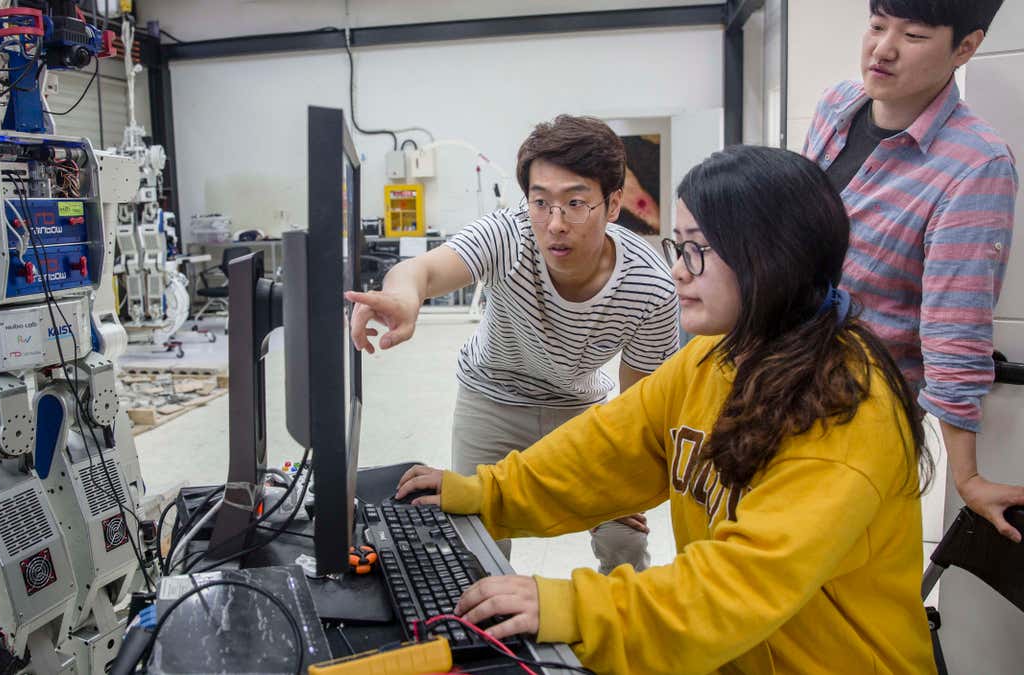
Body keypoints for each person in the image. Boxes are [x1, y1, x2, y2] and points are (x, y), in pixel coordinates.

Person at [395, 146, 937, 674]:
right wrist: (483, 493)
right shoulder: (713, 356)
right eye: (678, 247)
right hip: (727, 654)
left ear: (772, 258)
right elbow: (605, 449)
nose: (678, 270)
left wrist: (572, 607)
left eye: (698, 250)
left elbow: (737, 587)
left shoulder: (844, 410)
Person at [347, 115, 680, 572]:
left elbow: (642, 405)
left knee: (624, 533)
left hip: (578, 409)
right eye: (540, 202)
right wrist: (403, 296)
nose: (554, 224)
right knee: (476, 537)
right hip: (491, 397)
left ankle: (623, 629)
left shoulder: (650, 287)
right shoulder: (509, 234)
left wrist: (625, 483)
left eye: (576, 203)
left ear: (614, 203)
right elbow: (421, 271)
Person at [802, 0, 1023, 541]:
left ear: (964, 48)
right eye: (877, 26)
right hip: (780, 378)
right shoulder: (837, 106)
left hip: (861, 410)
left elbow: (955, 327)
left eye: (915, 35)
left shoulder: (975, 164)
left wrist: (966, 476)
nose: (883, 48)